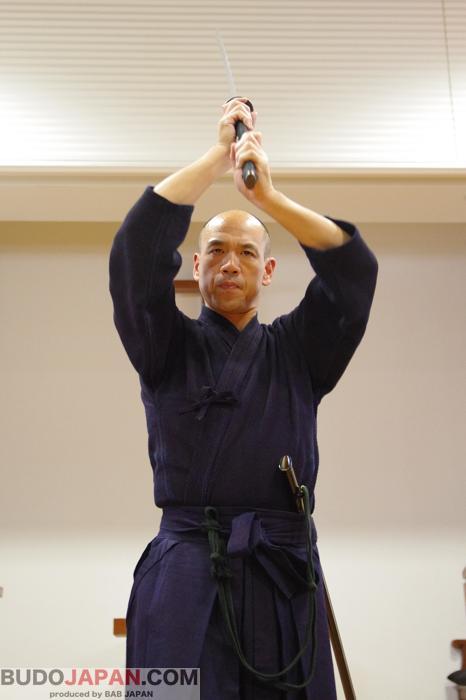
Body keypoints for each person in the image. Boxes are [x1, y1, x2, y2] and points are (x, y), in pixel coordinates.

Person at [109, 97, 378, 700]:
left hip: (282, 576)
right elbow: (135, 251)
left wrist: (267, 198)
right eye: (217, 251)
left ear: (268, 270)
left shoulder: (299, 352)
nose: (230, 264)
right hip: (185, 575)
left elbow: (352, 272)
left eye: (247, 252)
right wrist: (217, 158)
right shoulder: (163, 347)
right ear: (196, 264)